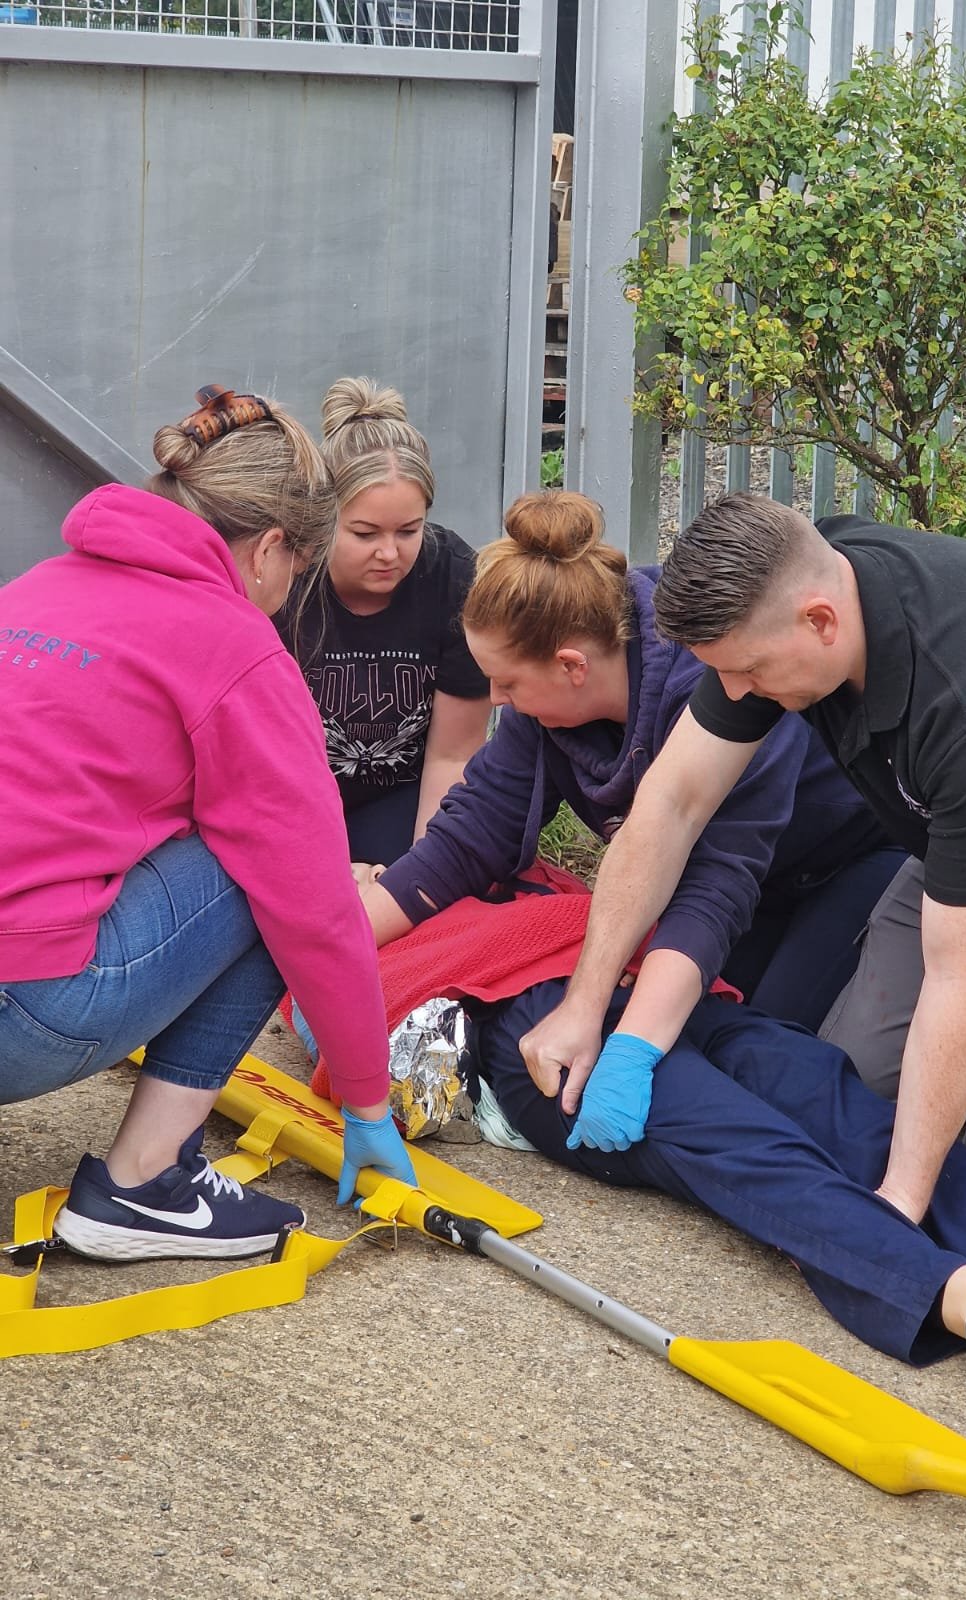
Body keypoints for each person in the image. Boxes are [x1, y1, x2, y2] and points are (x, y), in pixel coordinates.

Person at [520, 491, 966, 1224]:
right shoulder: (792, 591)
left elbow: (956, 977)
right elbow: (670, 805)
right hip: (963, 856)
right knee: (841, 1098)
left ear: (821, 621)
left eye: (747, 671)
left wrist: (900, 1204)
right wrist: (585, 1008)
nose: (738, 693)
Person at [336, 881, 966, 1387]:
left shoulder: (485, 862)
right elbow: (340, 1006)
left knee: (833, 1098)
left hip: (656, 990)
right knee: (743, 1142)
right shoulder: (342, 927)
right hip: (524, 1026)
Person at [0, 384, 416, 1263]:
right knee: (272, 871)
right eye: (298, 569)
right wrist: (367, 1100)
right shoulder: (236, 647)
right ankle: (145, 1182)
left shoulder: (35, 587)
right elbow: (312, 908)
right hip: (21, 1011)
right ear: (269, 548)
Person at [357, 490, 907, 1091]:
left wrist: (632, 1047)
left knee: (764, 1042)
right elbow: (468, 838)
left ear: (572, 666)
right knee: (701, 1027)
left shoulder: (712, 679)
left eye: (507, 682)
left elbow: (717, 876)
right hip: (750, 878)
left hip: (845, 858)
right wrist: (343, 939)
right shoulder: (544, 709)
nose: (496, 700)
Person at [279, 377, 491, 862]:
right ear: (323, 517)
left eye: (409, 530)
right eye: (364, 532)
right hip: (298, 800)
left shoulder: (454, 578)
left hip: (406, 796)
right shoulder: (286, 580)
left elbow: (453, 756)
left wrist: (423, 876)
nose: (389, 553)